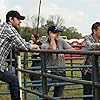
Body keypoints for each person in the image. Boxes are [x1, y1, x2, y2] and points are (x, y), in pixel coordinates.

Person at [0, 10, 39, 100]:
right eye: (18, 19)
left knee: (13, 79)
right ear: (11, 19)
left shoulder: (3, 27)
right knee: (13, 80)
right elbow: (23, 45)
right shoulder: (9, 29)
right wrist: (35, 46)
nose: (20, 22)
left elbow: (16, 45)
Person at [41, 26, 74, 97]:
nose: (58, 35)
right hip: (49, 73)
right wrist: (52, 38)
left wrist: (62, 51)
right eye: (55, 33)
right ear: (50, 33)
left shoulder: (61, 41)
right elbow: (52, 48)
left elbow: (72, 49)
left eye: (59, 33)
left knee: (58, 96)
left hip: (61, 72)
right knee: (43, 95)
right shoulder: (44, 44)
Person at [81, 22, 100, 100]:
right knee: (88, 93)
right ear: (94, 31)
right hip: (88, 70)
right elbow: (89, 46)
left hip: (99, 70)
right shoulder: (87, 37)